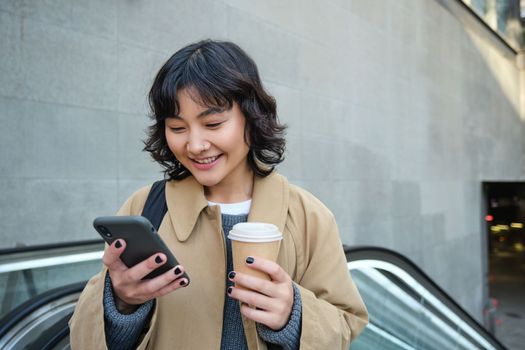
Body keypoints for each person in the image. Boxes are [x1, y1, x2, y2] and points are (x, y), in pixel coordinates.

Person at [69, 39, 368, 350]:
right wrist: (121, 303)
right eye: (177, 127)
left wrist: (293, 316)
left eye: (212, 123)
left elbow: (346, 324)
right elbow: (85, 338)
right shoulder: (145, 207)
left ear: (252, 117)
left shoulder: (308, 215)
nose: (195, 145)